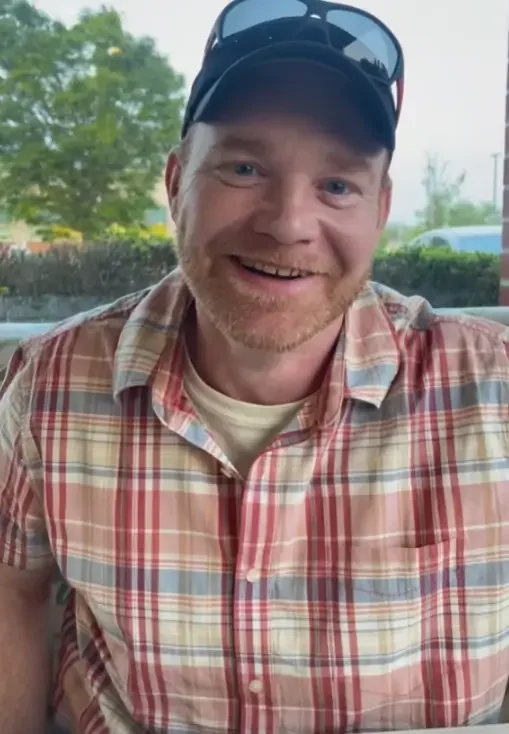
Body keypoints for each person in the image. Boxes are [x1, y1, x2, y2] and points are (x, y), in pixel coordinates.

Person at [0, 1, 508, 732]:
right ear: (176, 183)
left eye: (337, 185)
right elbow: (12, 585)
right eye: (243, 168)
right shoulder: (49, 385)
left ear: (380, 209)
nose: (288, 223)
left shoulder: (492, 392)